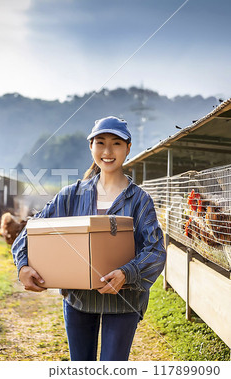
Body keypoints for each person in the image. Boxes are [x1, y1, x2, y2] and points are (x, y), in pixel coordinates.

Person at [11, 116, 166, 361]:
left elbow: (156, 250)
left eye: (116, 143)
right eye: (100, 142)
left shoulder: (139, 200)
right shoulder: (71, 195)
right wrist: (22, 266)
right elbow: (30, 230)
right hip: (78, 301)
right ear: (91, 147)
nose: (107, 150)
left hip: (123, 302)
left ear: (128, 148)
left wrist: (127, 273)